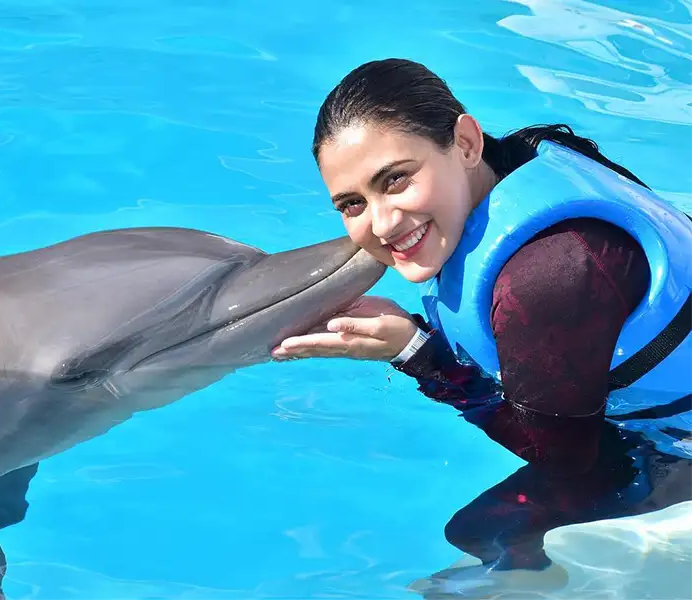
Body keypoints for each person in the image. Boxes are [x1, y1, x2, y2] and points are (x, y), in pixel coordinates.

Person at [271, 58, 692, 586]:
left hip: (677, 437)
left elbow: (570, 462)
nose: (381, 223)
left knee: (492, 531)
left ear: (467, 143)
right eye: (353, 204)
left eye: (396, 179)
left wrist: (416, 355)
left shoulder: (548, 275)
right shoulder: (518, 169)